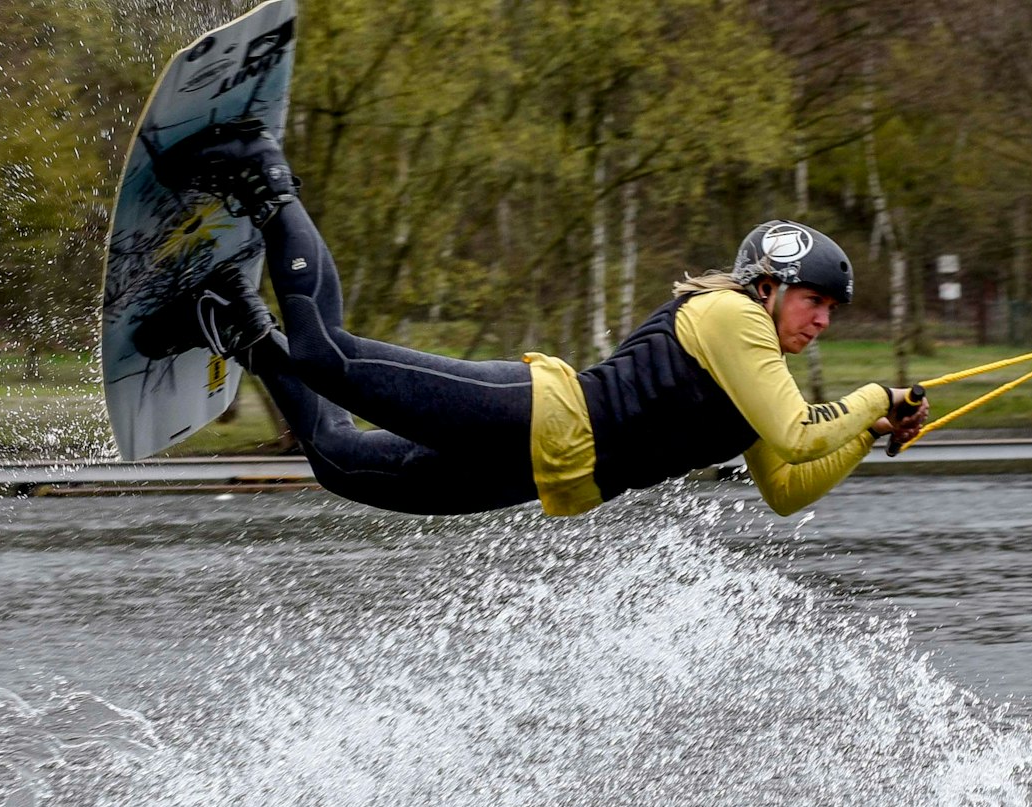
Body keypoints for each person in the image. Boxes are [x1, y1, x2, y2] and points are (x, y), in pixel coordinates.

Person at [131, 119, 930, 517]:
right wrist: (869, 401)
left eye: (831, 309)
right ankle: (264, 172)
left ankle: (232, 320)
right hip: (540, 413)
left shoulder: (762, 380)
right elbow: (797, 433)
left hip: (542, 471)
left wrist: (865, 433)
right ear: (769, 286)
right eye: (815, 300)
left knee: (341, 465)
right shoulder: (731, 318)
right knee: (327, 354)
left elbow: (787, 484)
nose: (823, 319)